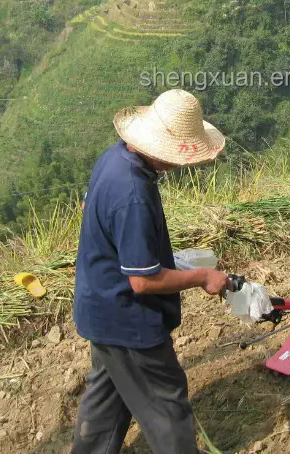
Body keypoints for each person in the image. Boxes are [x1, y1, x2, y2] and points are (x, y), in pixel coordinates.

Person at [72, 89, 229, 454]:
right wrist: (203, 277)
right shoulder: (134, 192)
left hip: (99, 304)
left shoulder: (113, 159)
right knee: (166, 405)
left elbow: (88, 205)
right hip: (127, 319)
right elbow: (143, 281)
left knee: (106, 402)